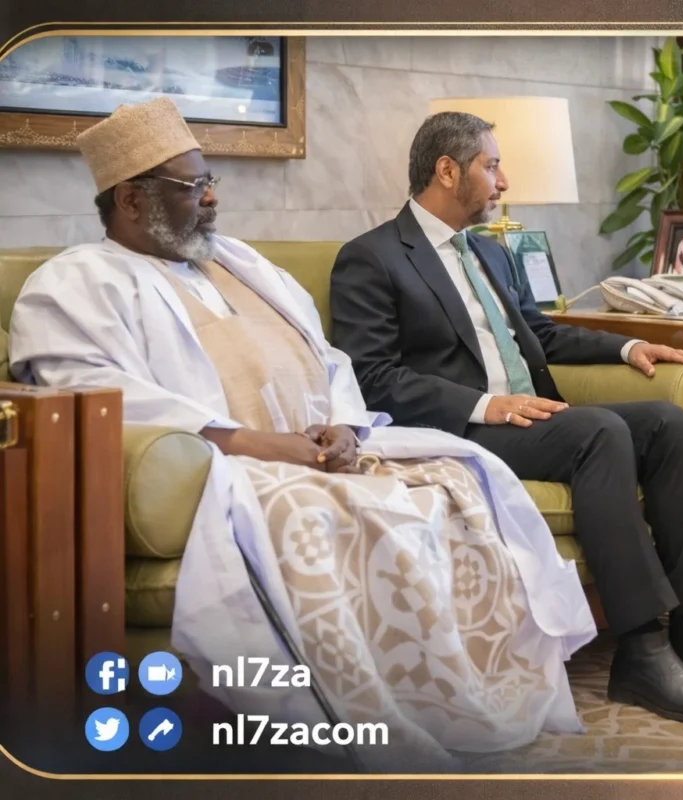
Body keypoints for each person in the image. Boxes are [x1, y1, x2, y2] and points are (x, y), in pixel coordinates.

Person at [5, 97, 600, 770]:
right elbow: (95, 393)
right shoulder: (78, 282)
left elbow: (331, 361)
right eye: (192, 186)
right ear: (131, 200)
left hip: (323, 454)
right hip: (231, 466)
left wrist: (343, 428)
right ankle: (360, 714)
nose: (211, 198)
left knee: (453, 483)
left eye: (210, 181)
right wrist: (258, 445)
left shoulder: (242, 264)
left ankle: (454, 696)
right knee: (333, 516)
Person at [328, 111, 683, 725]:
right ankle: (641, 649)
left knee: (668, 423)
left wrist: (630, 347)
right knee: (598, 431)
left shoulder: (490, 252)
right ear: (446, 171)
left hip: (533, 419)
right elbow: (372, 376)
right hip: (463, 429)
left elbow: (541, 335)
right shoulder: (372, 257)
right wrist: (487, 404)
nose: (503, 181)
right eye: (491, 166)